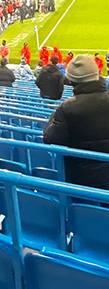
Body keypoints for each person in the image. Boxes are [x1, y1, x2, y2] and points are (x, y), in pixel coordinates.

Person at [44, 55, 109, 190]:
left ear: (72, 81)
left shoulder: (67, 108)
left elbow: (50, 138)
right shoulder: (67, 108)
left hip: (80, 179)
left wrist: (55, 115)